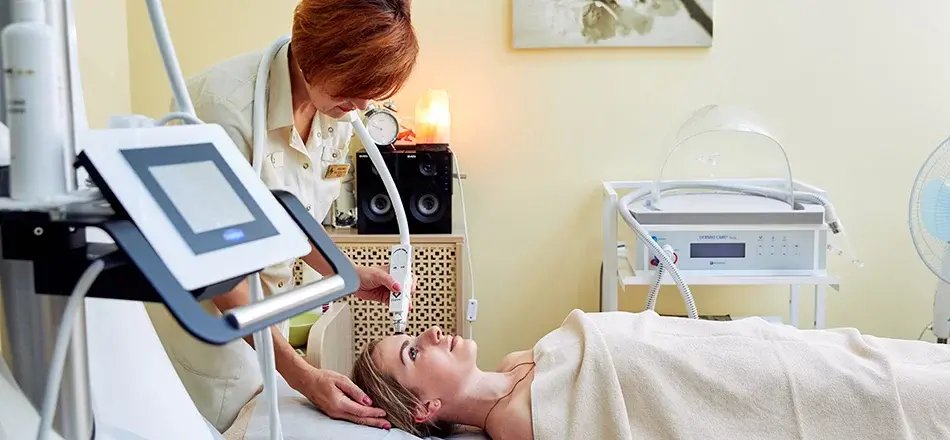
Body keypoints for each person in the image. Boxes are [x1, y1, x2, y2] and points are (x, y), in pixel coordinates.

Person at [144, 0, 418, 433]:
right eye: (355, 85)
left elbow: (292, 220)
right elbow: (220, 270)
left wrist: (345, 273)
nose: (362, 103)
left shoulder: (336, 109)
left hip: (268, 328)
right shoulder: (216, 111)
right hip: (210, 333)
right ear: (318, 53)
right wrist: (302, 376)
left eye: (372, 90)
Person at [353, 309, 950, 440]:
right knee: (893, 392)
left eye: (414, 335)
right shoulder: (514, 424)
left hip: (744, 351)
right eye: (413, 354)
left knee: (874, 356)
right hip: (742, 394)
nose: (430, 334)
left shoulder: (514, 364)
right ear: (425, 409)